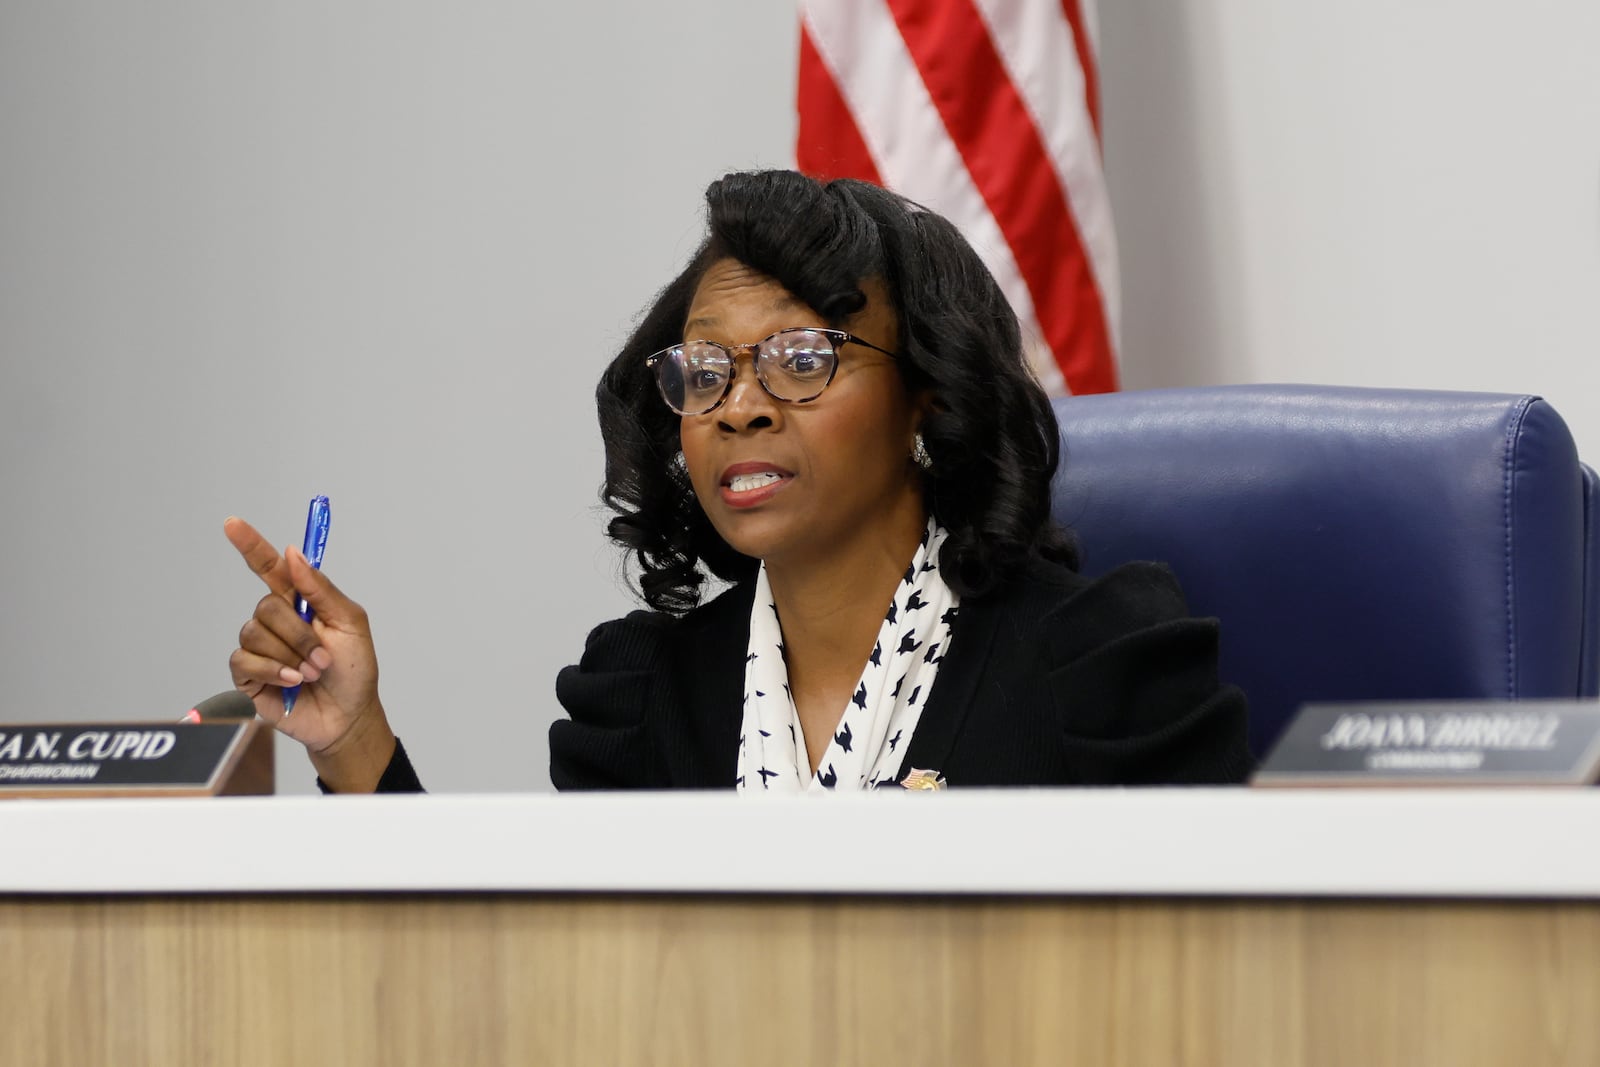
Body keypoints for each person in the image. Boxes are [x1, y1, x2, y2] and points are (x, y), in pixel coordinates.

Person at [225, 169, 1253, 792]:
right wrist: (355, 736)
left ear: (927, 396)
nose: (740, 406)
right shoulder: (642, 698)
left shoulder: (1096, 665)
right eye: (704, 369)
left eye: (803, 359)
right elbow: (526, 999)